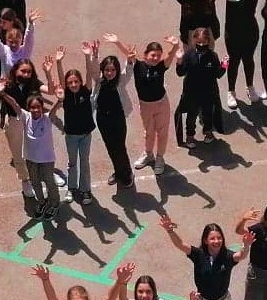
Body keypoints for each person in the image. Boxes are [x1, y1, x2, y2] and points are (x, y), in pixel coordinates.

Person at [105, 34, 179, 176]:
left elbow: (170, 55)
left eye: (158, 55)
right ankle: (148, 154)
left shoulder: (162, 66)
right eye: (153, 55)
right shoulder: (139, 66)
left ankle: (160, 158)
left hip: (161, 104)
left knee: (162, 132)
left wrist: (175, 46)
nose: (156, 58)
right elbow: (129, 53)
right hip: (145, 105)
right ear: (145, 55)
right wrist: (117, 42)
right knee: (149, 132)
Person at [0, 78, 61, 220]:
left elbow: (55, 109)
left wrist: (60, 100)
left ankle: (55, 203)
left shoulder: (47, 118)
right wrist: (2, 93)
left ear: (42, 107)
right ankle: (42, 202)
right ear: (28, 108)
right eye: (32, 107)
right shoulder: (25, 117)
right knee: (35, 182)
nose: (35, 110)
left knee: (50, 182)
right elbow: (14, 104)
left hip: (46, 159)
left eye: (38, 107)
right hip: (31, 158)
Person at [218, 0, 262, 109]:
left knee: (248, 60)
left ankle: (250, 87)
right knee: (234, 61)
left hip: (250, 31)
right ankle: (231, 91)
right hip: (232, 32)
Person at [53, 44, 96, 205]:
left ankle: (86, 190)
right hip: (71, 136)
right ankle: (71, 188)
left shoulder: (86, 91)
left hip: (85, 135)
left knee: (84, 162)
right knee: (72, 163)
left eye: (76, 82)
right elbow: (60, 78)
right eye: (70, 82)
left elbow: (90, 73)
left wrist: (87, 57)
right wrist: (58, 62)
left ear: (80, 82)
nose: (73, 85)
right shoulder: (66, 96)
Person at [89, 39, 135, 189]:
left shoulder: (120, 81)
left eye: (113, 70)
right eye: (107, 70)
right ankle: (118, 171)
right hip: (103, 119)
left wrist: (129, 59)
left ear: (116, 70)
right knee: (110, 147)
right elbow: (94, 70)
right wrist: (94, 55)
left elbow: (128, 71)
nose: (110, 73)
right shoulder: (99, 81)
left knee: (120, 147)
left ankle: (127, 173)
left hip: (118, 119)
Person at [175, 26, 227, 147]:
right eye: (199, 42)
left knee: (207, 113)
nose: (201, 44)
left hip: (208, 92)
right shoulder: (189, 55)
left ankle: (208, 132)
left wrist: (224, 65)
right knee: (191, 115)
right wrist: (179, 61)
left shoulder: (212, 56)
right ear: (193, 41)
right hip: (191, 92)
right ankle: (190, 136)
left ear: (209, 42)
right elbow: (180, 72)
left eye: (204, 42)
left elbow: (218, 74)